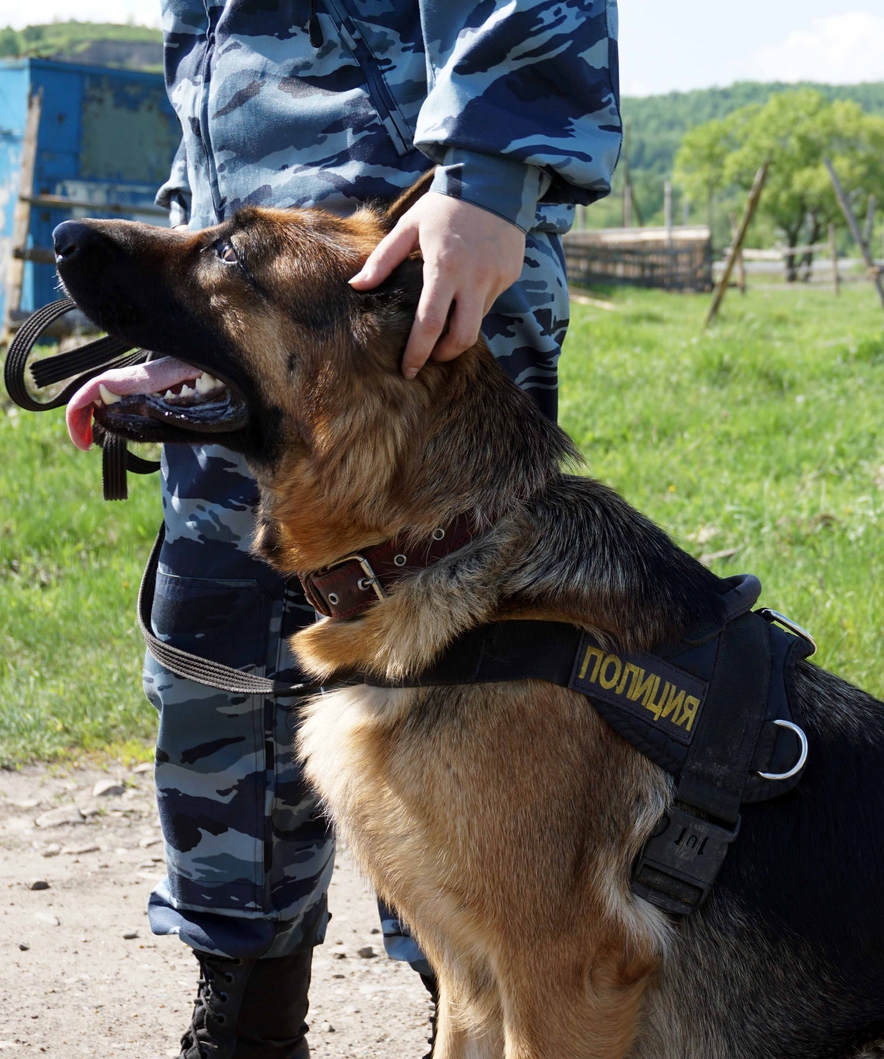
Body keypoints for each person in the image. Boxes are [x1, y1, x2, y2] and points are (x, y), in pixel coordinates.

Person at [76, 4, 621, 1056]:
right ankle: (245, 1020)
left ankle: (469, 1014)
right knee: (213, 665)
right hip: (233, 278)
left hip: (405, 263)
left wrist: (490, 169)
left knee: (468, 690)